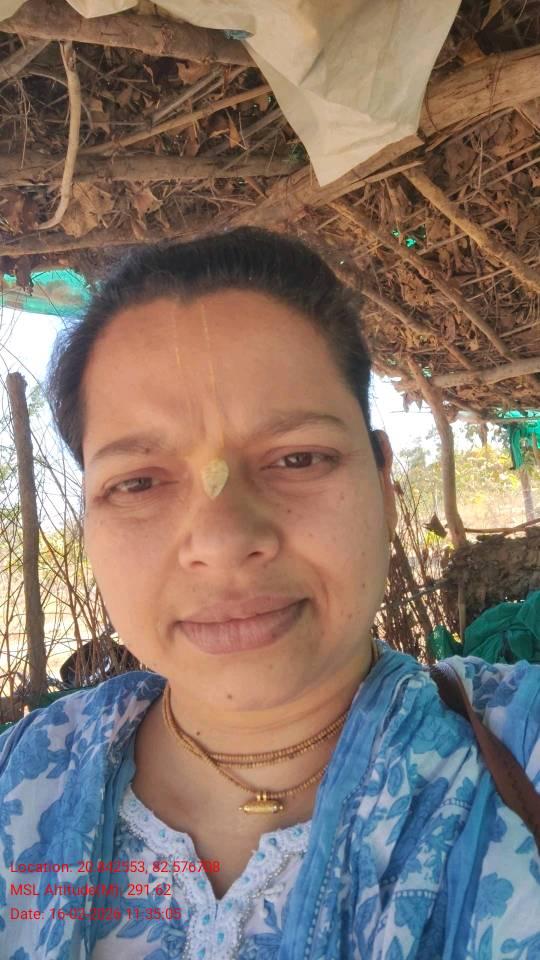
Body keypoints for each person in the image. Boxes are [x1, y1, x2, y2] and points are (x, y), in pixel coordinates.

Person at [0, 227, 538, 960]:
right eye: (140, 482)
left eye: (297, 458)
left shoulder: (520, 751)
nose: (223, 540)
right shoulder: (21, 784)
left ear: (383, 482)